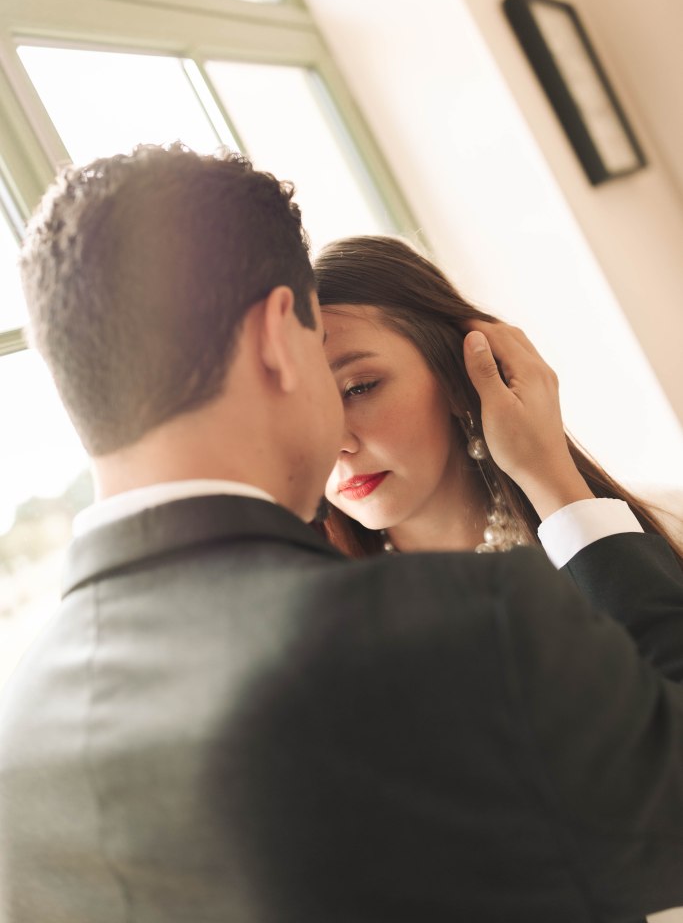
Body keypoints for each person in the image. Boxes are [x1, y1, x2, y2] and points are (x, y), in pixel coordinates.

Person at [0, 144, 682, 923]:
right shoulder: (462, 627)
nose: (341, 434)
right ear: (277, 335)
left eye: (360, 384)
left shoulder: (19, 740)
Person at [314, 233, 683, 567]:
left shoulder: (666, 527)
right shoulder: (325, 614)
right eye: (301, 413)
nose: (333, 444)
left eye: (358, 388)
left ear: (457, 372)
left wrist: (549, 476)